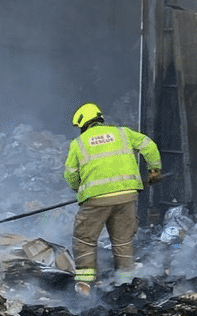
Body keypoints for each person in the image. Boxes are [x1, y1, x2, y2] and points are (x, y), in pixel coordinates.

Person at [64, 103, 162, 294]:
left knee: (84, 239)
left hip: (96, 201)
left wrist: (81, 190)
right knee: (123, 239)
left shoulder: (78, 144)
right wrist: (154, 170)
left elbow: (70, 174)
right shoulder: (123, 133)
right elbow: (148, 145)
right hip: (127, 196)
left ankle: (85, 285)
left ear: (83, 124)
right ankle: (124, 283)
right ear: (100, 118)